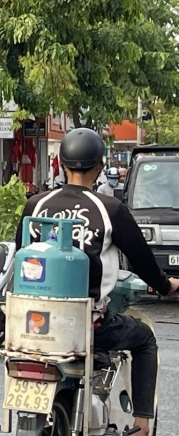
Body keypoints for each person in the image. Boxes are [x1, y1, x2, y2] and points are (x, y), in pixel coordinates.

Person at [18, 128, 179, 436]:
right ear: (100, 166)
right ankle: (142, 424)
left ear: (62, 163)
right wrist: (165, 285)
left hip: (29, 323)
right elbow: (143, 261)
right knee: (144, 338)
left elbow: (20, 255)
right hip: (88, 323)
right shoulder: (110, 209)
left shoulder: (35, 205)